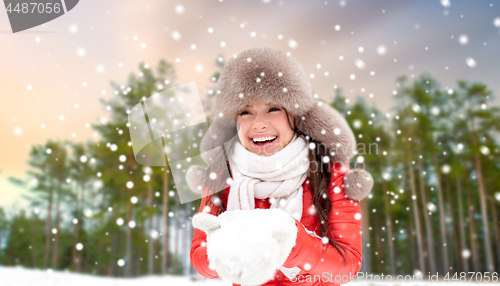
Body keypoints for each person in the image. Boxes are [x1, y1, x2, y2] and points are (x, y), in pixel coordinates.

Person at [186, 47, 373, 286]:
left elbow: (347, 266)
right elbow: (200, 258)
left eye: (273, 109)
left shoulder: (330, 171)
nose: (259, 124)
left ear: (294, 116)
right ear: (234, 122)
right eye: (246, 112)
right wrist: (222, 243)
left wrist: (292, 239)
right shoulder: (222, 173)